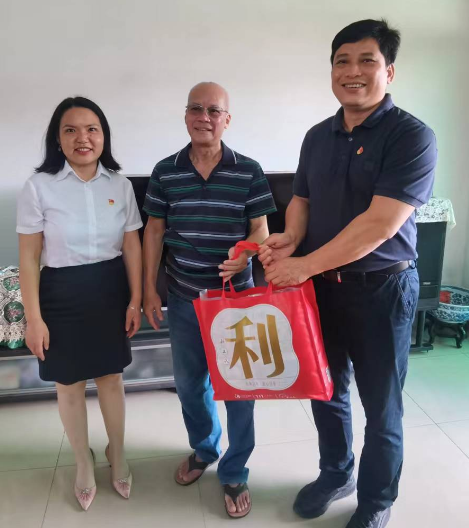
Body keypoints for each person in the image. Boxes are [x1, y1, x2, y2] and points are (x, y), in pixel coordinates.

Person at [259, 19, 437, 528]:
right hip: (322, 291)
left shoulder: (412, 137)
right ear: (332, 70)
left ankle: (377, 500)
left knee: (382, 409)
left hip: (382, 289)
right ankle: (337, 473)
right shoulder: (318, 136)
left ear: (389, 72)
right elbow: (302, 199)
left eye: (366, 61)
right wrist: (290, 237)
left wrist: (301, 266)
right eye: (342, 61)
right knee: (325, 389)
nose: (352, 71)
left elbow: (379, 225)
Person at [142, 82, 276, 519]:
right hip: (184, 298)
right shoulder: (165, 171)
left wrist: (245, 255)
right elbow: (154, 233)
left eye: (214, 110)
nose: (205, 117)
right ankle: (204, 448)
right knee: (190, 384)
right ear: (186, 116)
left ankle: (235, 470)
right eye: (196, 109)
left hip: (236, 301)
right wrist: (149, 289)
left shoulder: (248, 170)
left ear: (227, 120)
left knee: (239, 388)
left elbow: (260, 229)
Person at [17, 97, 143, 510]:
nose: (82, 138)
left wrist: (135, 299)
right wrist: (33, 319)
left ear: (104, 136)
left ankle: (116, 452)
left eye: (92, 129)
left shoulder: (120, 185)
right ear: (58, 139)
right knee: (68, 384)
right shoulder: (39, 187)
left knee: (111, 378)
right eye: (70, 130)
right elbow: (29, 258)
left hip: (109, 289)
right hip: (60, 292)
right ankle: (82, 461)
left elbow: (131, 246)